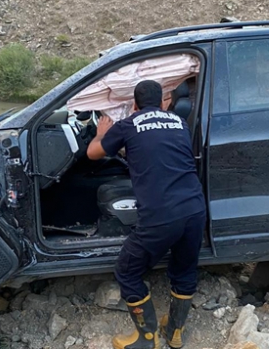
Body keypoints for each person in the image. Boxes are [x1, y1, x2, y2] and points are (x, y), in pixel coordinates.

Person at [86, 80, 206, 349]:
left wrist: (100, 132)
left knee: (127, 272)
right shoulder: (179, 123)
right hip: (194, 209)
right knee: (185, 271)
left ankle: (146, 338)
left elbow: (94, 153)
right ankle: (175, 334)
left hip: (161, 215)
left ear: (134, 104)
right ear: (164, 101)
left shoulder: (129, 124)